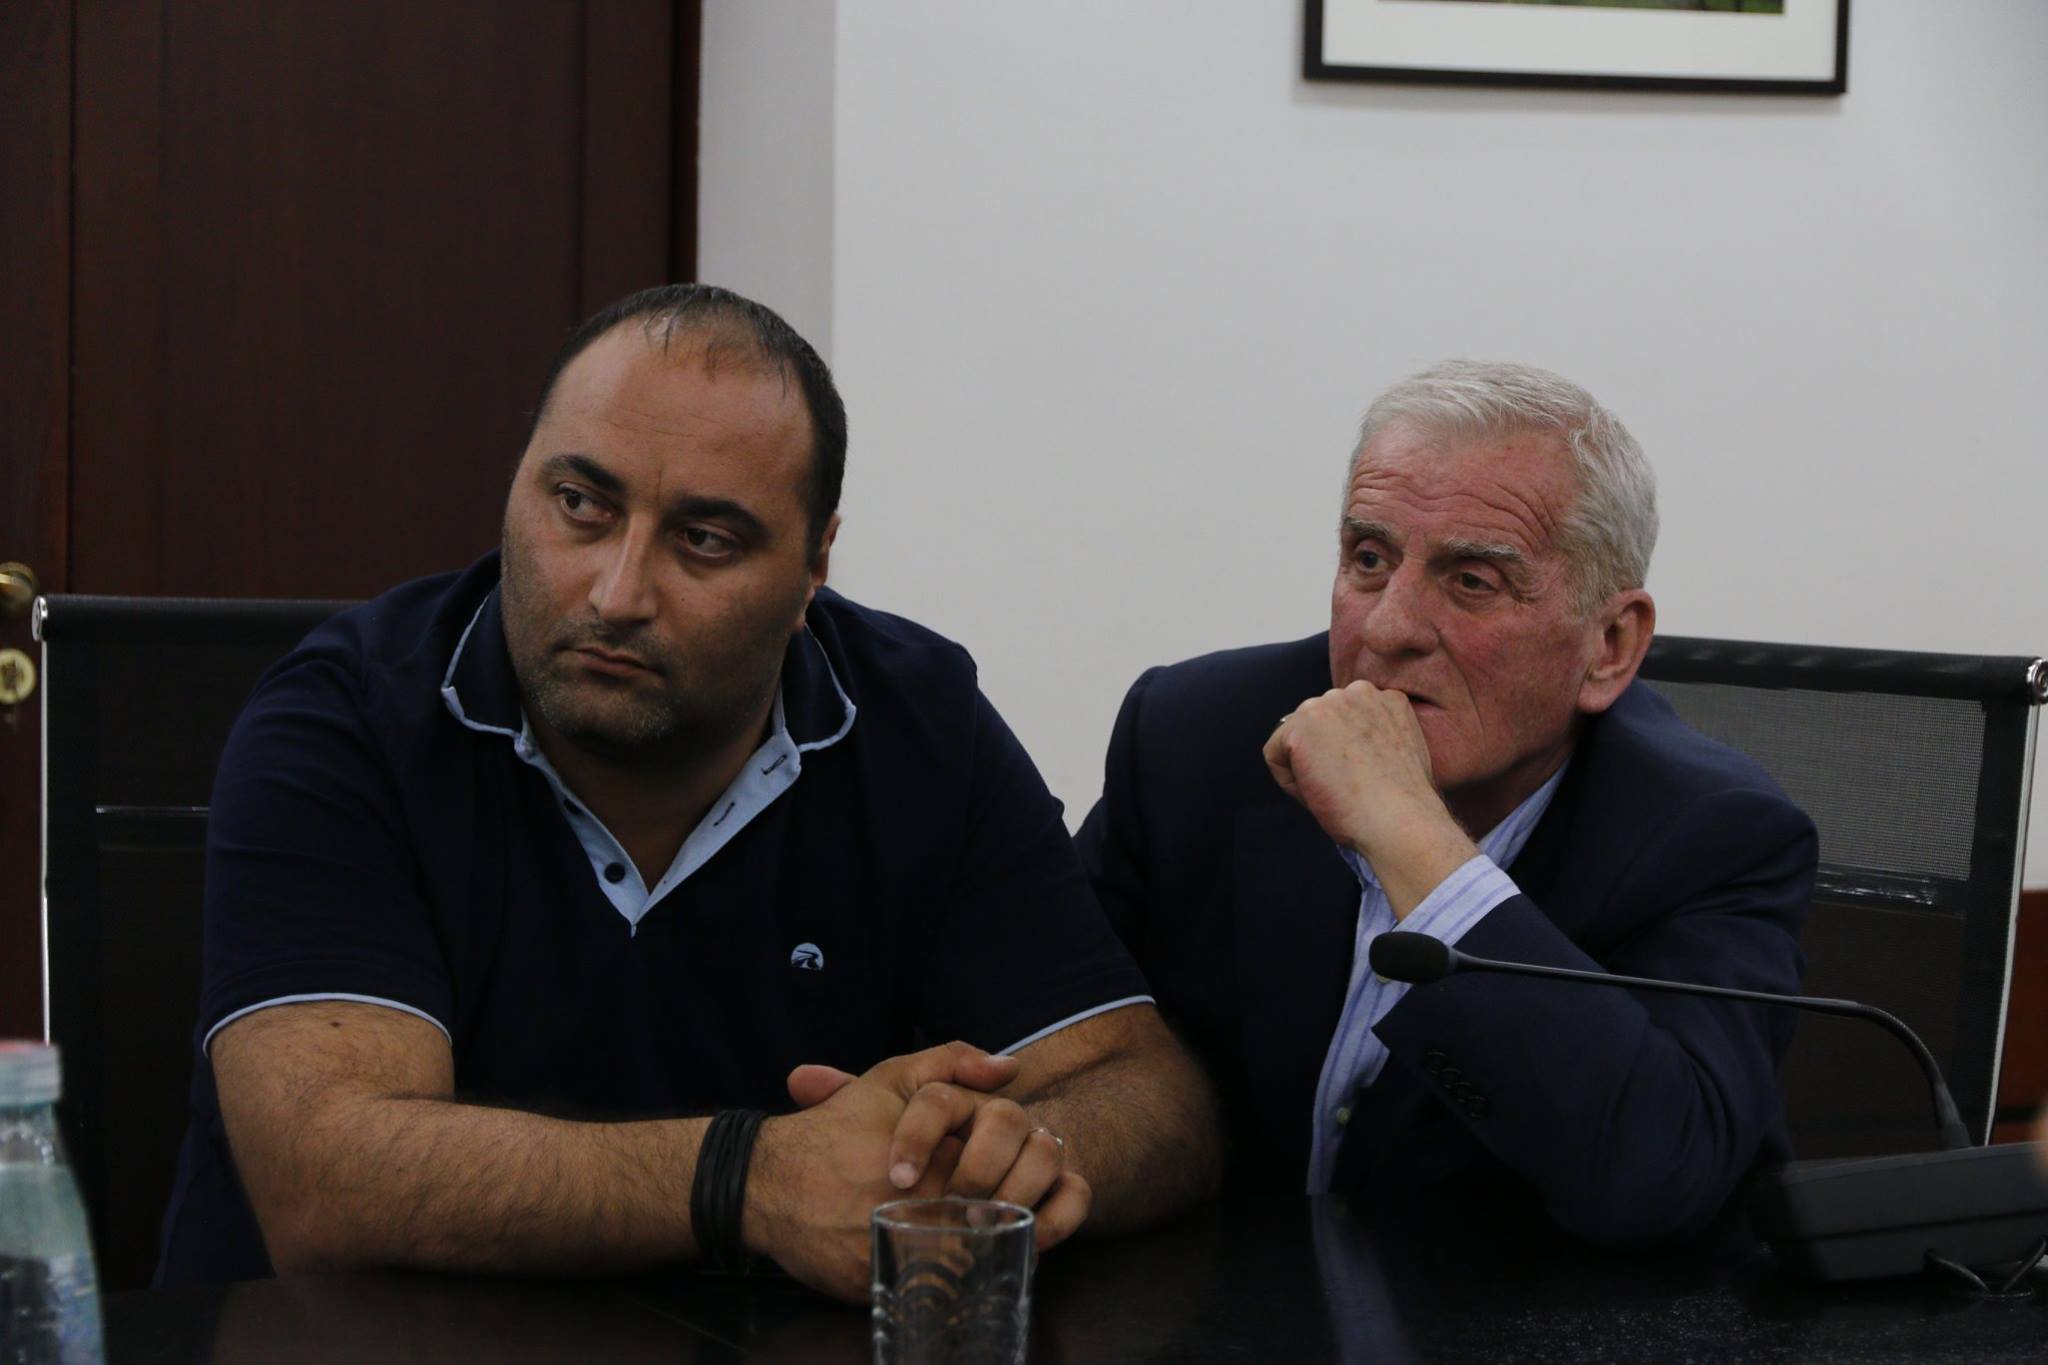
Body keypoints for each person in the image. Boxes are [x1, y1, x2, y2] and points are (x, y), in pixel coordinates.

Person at [159, 285, 1219, 1299]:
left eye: (704, 539)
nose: (617, 593)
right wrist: (751, 1180)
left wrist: (995, 1160)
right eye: (580, 505)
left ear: (814, 567)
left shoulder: (917, 719)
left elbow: (1152, 1095)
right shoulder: (347, 717)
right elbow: (327, 1181)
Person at [1076, 360, 1816, 1243]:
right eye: (1369, 559)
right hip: (1229, 1302)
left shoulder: (1713, 834)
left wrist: (1410, 835)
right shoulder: (1192, 737)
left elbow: (1654, 1178)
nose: (1388, 627)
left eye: (1472, 581)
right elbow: (1059, 1035)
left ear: (1611, 645)